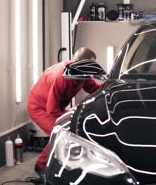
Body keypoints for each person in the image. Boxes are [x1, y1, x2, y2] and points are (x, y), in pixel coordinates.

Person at [28, 47, 102, 176]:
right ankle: (41, 166)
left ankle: (64, 163)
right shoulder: (60, 77)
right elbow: (52, 110)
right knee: (60, 132)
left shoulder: (82, 74)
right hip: (40, 107)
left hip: (56, 106)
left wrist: (109, 87)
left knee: (73, 127)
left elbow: (93, 88)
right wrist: (66, 122)